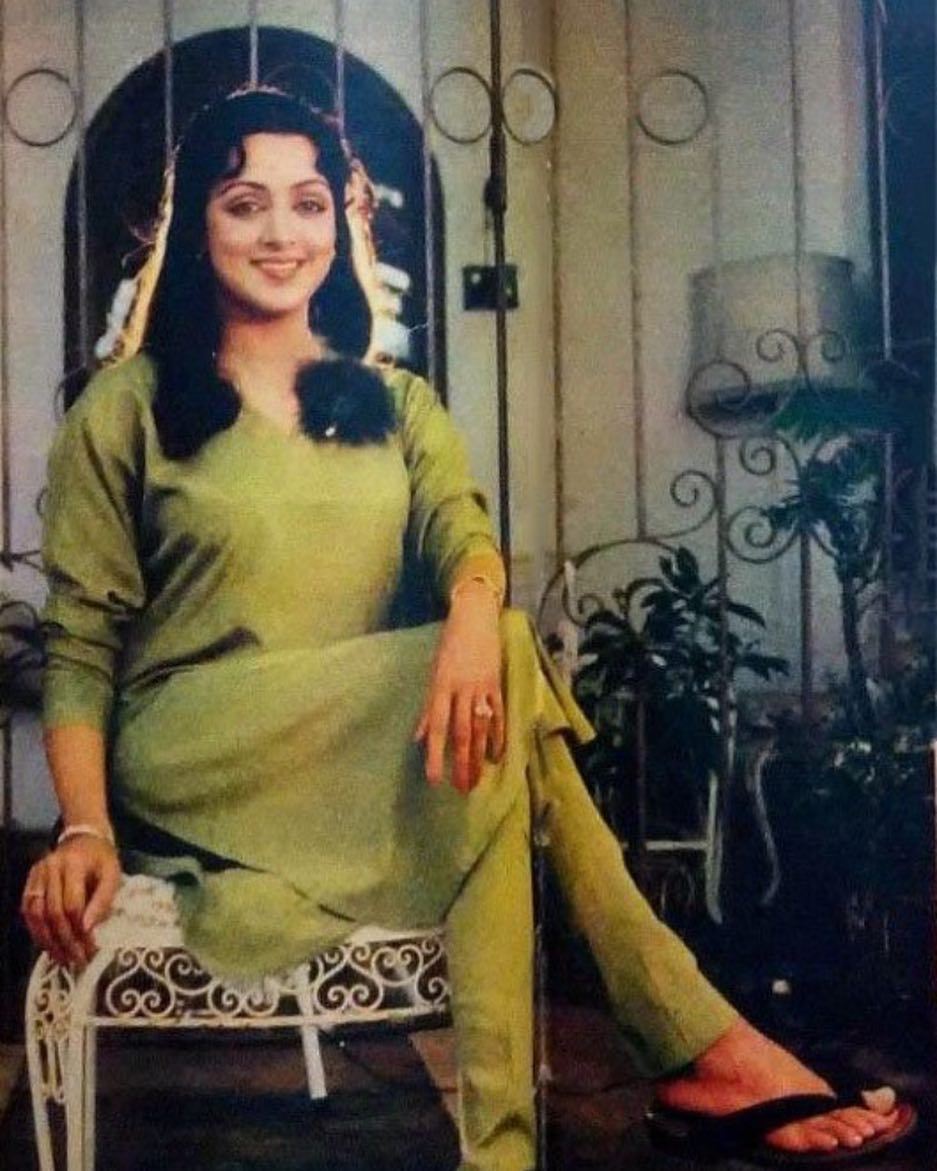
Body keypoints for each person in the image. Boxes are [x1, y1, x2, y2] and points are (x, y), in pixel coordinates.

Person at [20, 88, 914, 1170]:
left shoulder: (395, 405)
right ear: (198, 227)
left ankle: (511, 1146)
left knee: (489, 744)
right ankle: (698, 1048)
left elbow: (462, 532)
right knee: (499, 701)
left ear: (342, 224)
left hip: (355, 763)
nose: (279, 232)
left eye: (308, 202)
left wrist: (474, 612)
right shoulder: (126, 407)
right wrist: (84, 827)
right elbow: (82, 640)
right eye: (244, 202)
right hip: (191, 753)